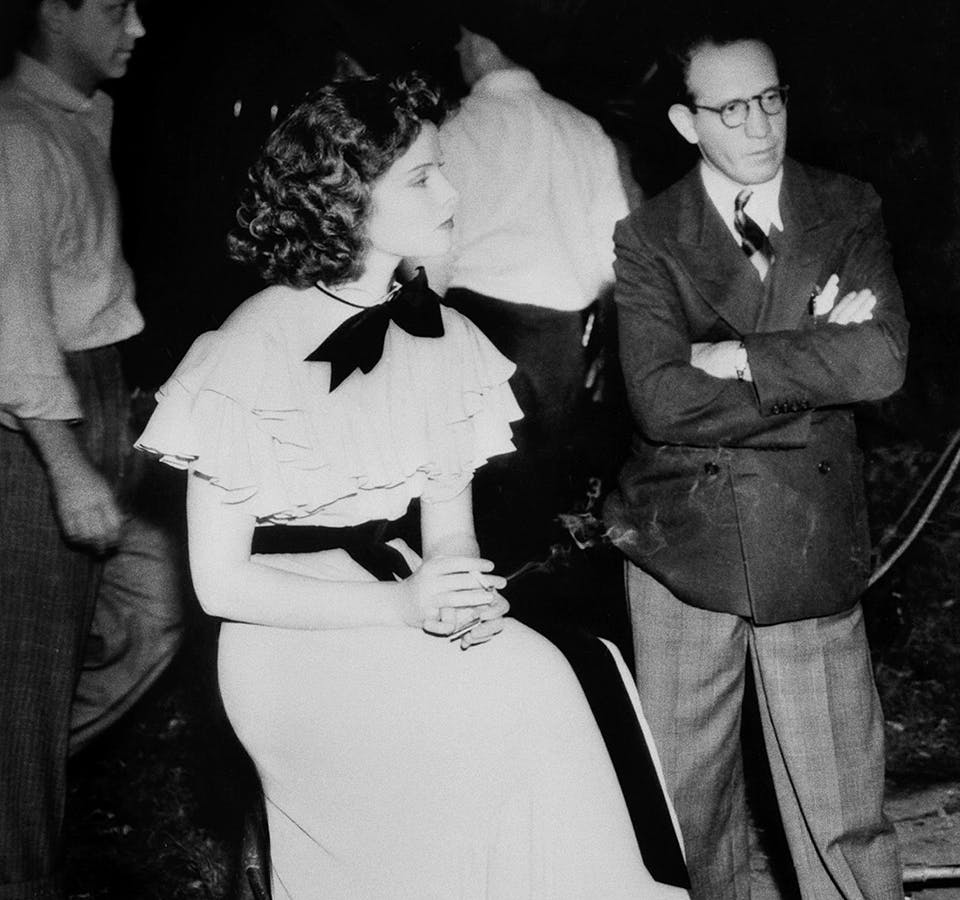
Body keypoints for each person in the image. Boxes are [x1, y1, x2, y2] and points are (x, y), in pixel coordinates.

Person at [134, 73, 687, 899]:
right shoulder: (249, 347)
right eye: (423, 177)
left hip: (394, 589)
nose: (452, 193)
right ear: (346, 201)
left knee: (548, 681)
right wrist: (401, 607)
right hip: (286, 635)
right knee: (442, 747)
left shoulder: (441, 334)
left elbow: (449, 527)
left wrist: (459, 590)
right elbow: (220, 584)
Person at [604, 28, 908, 900]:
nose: (760, 125)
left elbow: (881, 362)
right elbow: (660, 401)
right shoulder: (650, 234)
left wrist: (735, 357)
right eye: (731, 109)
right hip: (680, 542)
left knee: (841, 811)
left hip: (805, 533)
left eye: (770, 99)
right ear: (686, 122)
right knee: (687, 811)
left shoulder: (845, 206)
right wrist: (814, 366)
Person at [1, 1, 147, 895]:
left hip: (95, 386)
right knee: (26, 675)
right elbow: (12, 321)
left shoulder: (80, 116)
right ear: (53, 11)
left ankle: (25, 790)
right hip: (36, 420)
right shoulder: (16, 137)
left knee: (151, 606)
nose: (138, 27)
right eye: (116, 7)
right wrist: (64, 467)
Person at [425, 13, 632, 574]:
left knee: (466, 512)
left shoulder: (453, 129)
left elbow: (429, 255)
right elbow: (614, 256)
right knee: (537, 510)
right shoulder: (583, 129)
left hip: (476, 335)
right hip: (562, 349)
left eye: (462, 40)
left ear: (481, 43)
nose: (459, 52)